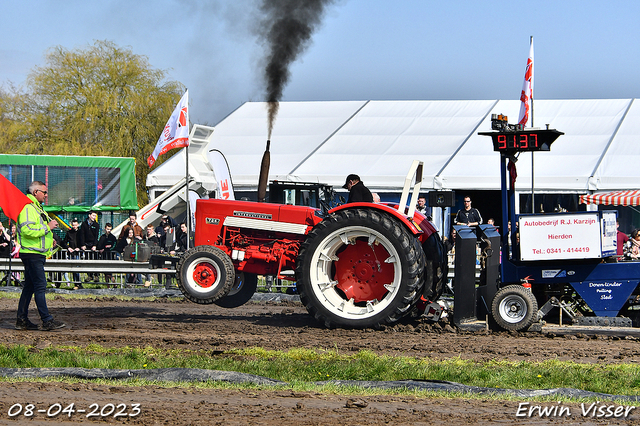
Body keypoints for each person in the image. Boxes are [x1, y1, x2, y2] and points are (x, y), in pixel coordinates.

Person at [15, 181, 66, 331]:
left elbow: (36, 230)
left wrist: (51, 239)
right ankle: (47, 320)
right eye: (44, 192)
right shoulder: (28, 207)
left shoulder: (36, 208)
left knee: (30, 287)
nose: (46, 194)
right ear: (35, 192)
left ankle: (22, 320)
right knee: (40, 286)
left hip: (35, 253)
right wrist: (47, 227)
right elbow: (26, 230)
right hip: (32, 254)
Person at [80, 211, 100, 282]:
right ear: (89, 215)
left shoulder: (96, 225)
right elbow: (82, 235)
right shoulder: (84, 224)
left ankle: (96, 275)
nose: (94, 217)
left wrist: (94, 245)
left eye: (95, 216)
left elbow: (96, 236)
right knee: (87, 261)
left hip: (93, 244)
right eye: (93, 215)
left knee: (95, 260)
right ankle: (89, 275)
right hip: (86, 244)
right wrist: (83, 244)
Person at [63, 218, 82, 287]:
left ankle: (78, 283)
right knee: (73, 269)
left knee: (77, 269)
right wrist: (68, 248)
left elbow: (82, 242)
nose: (74, 226)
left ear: (77, 225)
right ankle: (76, 283)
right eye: (73, 225)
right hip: (71, 253)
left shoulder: (80, 232)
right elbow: (64, 242)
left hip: (78, 253)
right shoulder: (69, 233)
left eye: (75, 225)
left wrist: (79, 248)